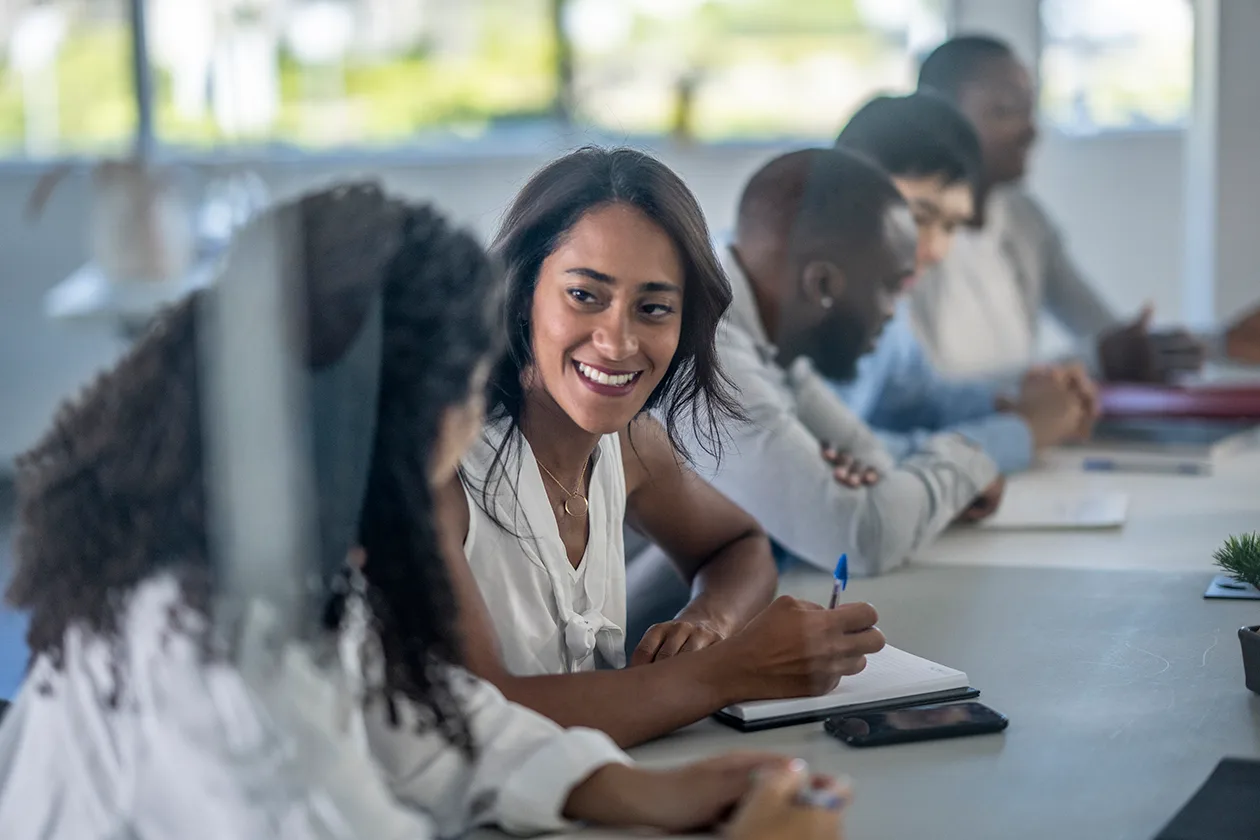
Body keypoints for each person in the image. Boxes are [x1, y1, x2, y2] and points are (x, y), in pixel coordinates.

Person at [0, 184, 850, 839]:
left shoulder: (299, 562)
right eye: (468, 382)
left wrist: (641, 790)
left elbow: (426, 716)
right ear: (397, 413)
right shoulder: (200, 648)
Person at [441, 147, 887, 749]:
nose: (618, 341)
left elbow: (739, 546)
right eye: (584, 296)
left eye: (653, 308)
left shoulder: (631, 446)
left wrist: (711, 621)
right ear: (523, 295)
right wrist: (730, 669)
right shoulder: (441, 471)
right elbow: (485, 715)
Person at [685, 147, 1088, 578]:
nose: (895, 313)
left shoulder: (773, 337)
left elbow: (871, 460)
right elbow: (864, 537)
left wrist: (907, 484)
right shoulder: (713, 357)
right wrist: (967, 463)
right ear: (822, 284)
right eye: (891, 288)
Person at [912, 35, 1260, 381]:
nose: (1030, 130)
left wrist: (1218, 344)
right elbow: (924, 398)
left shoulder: (1023, 220)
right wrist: (1092, 361)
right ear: (938, 117)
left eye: (1029, 109)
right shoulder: (906, 238)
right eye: (1004, 111)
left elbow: (1105, 335)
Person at [832, 92, 1096, 477]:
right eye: (919, 217)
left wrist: (1016, 402)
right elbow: (849, 462)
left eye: (952, 226)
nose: (937, 249)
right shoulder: (804, 310)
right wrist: (1022, 431)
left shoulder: (887, 303)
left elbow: (920, 398)